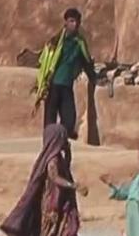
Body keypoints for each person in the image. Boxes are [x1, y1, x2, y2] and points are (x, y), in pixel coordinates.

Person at [0, 123, 87, 236]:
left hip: (64, 205)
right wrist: (73, 186)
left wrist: (68, 153)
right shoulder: (51, 159)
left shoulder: (59, 157)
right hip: (51, 207)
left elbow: (65, 168)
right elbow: (55, 177)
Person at [33, 8, 97, 139]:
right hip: (53, 85)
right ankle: (49, 143)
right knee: (50, 119)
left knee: (69, 118)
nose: (75, 24)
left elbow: (86, 62)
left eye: (77, 21)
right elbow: (44, 61)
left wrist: (94, 77)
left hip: (67, 85)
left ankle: (63, 141)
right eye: (71, 21)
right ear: (66, 23)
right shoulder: (55, 42)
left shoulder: (79, 43)